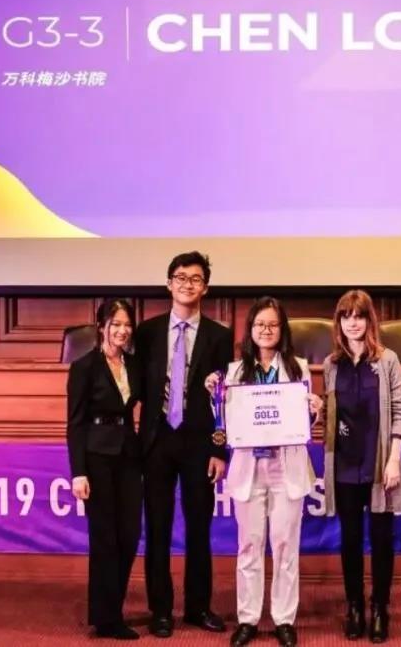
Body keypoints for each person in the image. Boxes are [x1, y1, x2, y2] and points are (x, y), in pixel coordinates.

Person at [205, 297, 323, 647]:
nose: (266, 330)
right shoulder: (233, 372)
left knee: (285, 545)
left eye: (272, 325)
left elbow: (305, 422)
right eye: (260, 325)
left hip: (286, 466)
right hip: (249, 467)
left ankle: (284, 619)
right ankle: (248, 618)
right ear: (250, 330)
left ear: (282, 329)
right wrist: (214, 395)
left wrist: (315, 409)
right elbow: (225, 423)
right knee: (249, 545)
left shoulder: (299, 368)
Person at [134, 251, 233, 638]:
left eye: (195, 279)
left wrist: (219, 450)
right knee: (157, 528)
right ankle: (160, 609)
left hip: (199, 445)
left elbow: (225, 401)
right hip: (157, 441)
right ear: (168, 284)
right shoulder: (147, 333)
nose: (187, 284)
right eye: (180, 277)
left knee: (199, 529)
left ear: (205, 287)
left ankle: (197, 607)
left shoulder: (219, 336)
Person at [322, 290, 401, 643]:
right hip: (344, 463)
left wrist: (393, 460)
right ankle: (354, 605)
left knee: (382, 540)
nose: (352, 323)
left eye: (359, 316)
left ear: (369, 320)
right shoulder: (331, 364)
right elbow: (330, 416)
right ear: (339, 323)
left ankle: (380, 607)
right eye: (346, 316)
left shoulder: (387, 360)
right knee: (350, 539)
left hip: (378, 465)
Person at [67, 299, 143, 641]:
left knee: (128, 535)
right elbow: (75, 423)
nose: (122, 331)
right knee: (105, 539)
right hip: (96, 457)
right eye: (116, 324)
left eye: (127, 325)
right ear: (102, 327)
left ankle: (115, 608)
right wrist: (78, 472)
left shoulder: (134, 364)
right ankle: (106, 617)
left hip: (129, 455)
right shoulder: (84, 366)